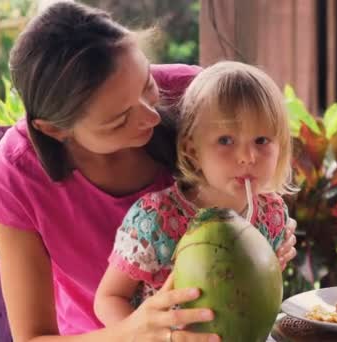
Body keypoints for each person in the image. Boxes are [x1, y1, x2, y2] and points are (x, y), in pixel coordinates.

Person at [0, 2, 297, 341]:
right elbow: (32, 337)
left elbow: (264, 149)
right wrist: (136, 331)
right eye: (119, 119)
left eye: (147, 85)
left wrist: (268, 231)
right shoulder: (16, 175)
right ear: (55, 130)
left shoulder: (199, 97)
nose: (152, 117)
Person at [94, 61, 298, 330]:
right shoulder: (158, 219)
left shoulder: (272, 214)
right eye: (226, 140)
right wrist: (140, 334)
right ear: (192, 150)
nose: (248, 157)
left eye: (261, 141)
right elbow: (108, 298)